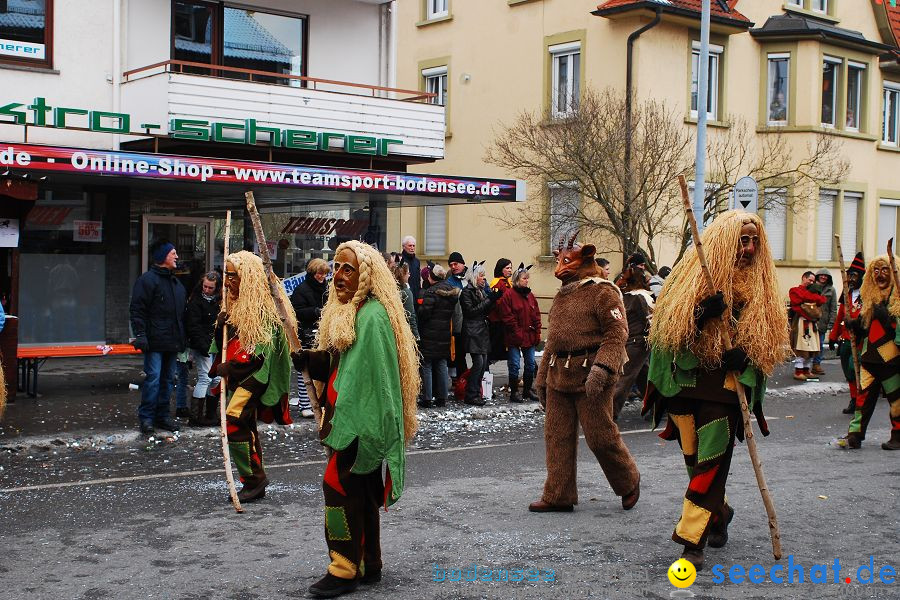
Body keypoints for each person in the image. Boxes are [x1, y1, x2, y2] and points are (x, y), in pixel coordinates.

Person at [644, 211, 789, 570]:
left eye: (755, 241)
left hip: (725, 392)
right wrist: (699, 315)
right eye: (743, 240)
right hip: (684, 387)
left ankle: (691, 542)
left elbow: (765, 349)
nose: (750, 248)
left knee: (709, 466)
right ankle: (719, 512)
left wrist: (745, 359)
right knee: (696, 465)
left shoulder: (763, 291)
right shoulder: (687, 281)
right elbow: (665, 335)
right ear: (724, 241)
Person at [292, 240, 419, 598]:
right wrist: (309, 360)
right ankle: (368, 562)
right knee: (361, 494)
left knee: (338, 487)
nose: (338, 276)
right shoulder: (350, 312)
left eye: (348, 268)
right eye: (336, 268)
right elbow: (340, 364)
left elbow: (375, 383)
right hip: (347, 422)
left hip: (359, 426)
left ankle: (344, 567)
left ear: (366, 273)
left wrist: (355, 425)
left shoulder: (373, 316)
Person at [530, 234, 641, 514]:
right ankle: (558, 494)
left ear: (585, 260)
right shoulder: (561, 295)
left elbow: (617, 333)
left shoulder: (604, 291)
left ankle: (628, 480)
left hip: (590, 375)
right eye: (558, 260)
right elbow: (553, 340)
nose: (559, 267)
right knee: (556, 437)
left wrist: (603, 368)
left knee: (600, 436)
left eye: (566, 262)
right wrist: (542, 377)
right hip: (559, 375)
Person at [211, 251, 294, 503]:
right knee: (242, 424)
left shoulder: (264, 309)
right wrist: (221, 327)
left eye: (232, 276)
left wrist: (231, 367)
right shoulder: (233, 304)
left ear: (247, 277)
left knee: (234, 420)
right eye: (225, 275)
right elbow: (224, 344)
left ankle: (254, 480)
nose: (226, 282)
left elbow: (258, 354)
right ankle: (254, 478)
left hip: (255, 376)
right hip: (240, 375)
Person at [839, 254, 900, 450]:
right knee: (862, 400)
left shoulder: (896, 299)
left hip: (891, 360)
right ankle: (855, 435)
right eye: (876, 270)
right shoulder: (870, 298)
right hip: (869, 358)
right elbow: (866, 329)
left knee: (896, 401)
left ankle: (898, 436)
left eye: (884, 270)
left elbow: (893, 327)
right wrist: (854, 325)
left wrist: (884, 313)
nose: (880, 275)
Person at [130, 242, 187, 435]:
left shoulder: (175, 283)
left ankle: (162, 416)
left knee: (168, 379)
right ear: (163, 257)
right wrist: (140, 335)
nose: (177, 256)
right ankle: (147, 417)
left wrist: (182, 340)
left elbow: (180, 315)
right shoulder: (147, 281)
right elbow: (138, 310)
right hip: (155, 340)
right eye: (173, 253)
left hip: (171, 340)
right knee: (154, 378)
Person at [612, 266, 654, 420]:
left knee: (625, 376)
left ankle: (610, 412)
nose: (621, 281)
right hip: (635, 341)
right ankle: (655, 406)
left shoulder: (636, 297)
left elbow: (650, 319)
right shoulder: (633, 296)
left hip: (637, 342)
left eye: (623, 278)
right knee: (642, 375)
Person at [290, 258, 330, 419]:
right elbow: (296, 312)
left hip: (321, 332)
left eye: (324, 274)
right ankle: (305, 403)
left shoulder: (326, 288)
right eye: (320, 274)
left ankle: (316, 401)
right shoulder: (301, 290)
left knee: (319, 367)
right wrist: (315, 311)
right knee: (303, 369)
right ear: (312, 272)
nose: (322, 277)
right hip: (305, 333)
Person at [417, 265, 462, 408]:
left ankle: (427, 398)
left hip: (429, 334)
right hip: (444, 334)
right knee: (442, 364)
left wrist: (420, 305)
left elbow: (424, 314)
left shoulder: (430, 293)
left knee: (427, 365)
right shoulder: (451, 293)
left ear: (433, 277)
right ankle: (442, 397)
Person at [497, 264, 541, 403]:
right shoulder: (509, 295)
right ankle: (514, 392)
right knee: (514, 365)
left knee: (530, 365)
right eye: (524, 278)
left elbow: (536, 315)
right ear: (517, 280)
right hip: (514, 336)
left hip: (529, 335)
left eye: (527, 278)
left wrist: (537, 331)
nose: (527, 280)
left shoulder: (530, 295)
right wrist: (517, 332)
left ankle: (527, 390)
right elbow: (507, 317)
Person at [828, 253, 866, 415]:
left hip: (859, 341)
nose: (851, 279)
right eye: (849, 275)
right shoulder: (846, 295)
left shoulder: (866, 297)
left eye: (854, 275)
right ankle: (853, 399)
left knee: (855, 370)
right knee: (849, 373)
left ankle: (861, 400)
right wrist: (832, 336)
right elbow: (839, 318)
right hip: (845, 340)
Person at [184, 272, 222, 426]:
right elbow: (193, 327)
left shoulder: (219, 301)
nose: (206, 290)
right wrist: (202, 345)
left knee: (216, 379)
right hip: (202, 344)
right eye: (205, 286)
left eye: (210, 288)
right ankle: (196, 416)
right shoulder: (196, 302)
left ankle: (209, 414)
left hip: (214, 344)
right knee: (206, 377)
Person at [460, 263, 500, 406]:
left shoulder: (480, 291)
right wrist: (490, 300)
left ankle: (476, 393)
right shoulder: (466, 292)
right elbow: (471, 312)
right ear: (474, 276)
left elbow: (485, 311)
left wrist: (494, 300)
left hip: (481, 330)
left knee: (483, 364)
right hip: (472, 331)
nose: (484, 278)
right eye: (481, 275)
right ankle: (471, 394)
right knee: (478, 363)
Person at [789, 271, 827, 380]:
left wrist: (806, 301)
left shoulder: (813, 292)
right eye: (810, 280)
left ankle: (806, 370)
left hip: (812, 324)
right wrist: (811, 300)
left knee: (811, 347)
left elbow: (822, 300)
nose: (811, 282)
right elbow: (796, 302)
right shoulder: (794, 290)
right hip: (801, 323)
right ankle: (798, 371)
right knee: (801, 347)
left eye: (813, 281)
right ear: (803, 278)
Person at [446, 251, 469, 381]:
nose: (453, 267)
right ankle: (461, 383)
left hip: (472, 323)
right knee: (460, 356)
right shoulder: (449, 282)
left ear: (462, 264)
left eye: (456, 264)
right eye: (451, 265)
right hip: (458, 325)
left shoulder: (470, 277)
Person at [812, 268, 838, 375]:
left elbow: (833, 308)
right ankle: (803, 366)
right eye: (821, 275)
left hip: (823, 322)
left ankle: (816, 364)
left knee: (820, 344)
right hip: (811, 320)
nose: (823, 277)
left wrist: (831, 322)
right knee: (808, 344)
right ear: (817, 276)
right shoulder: (812, 288)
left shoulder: (831, 290)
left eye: (825, 276)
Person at [487, 258, 513, 362]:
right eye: (507, 268)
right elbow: (497, 303)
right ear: (501, 269)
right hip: (498, 322)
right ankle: (485, 372)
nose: (510, 270)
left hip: (506, 321)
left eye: (511, 268)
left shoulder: (509, 282)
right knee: (494, 351)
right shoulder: (496, 283)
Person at [391, 261, 420, 341]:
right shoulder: (406, 292)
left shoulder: (390, 290)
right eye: (408, 272)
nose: (409, 274)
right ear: (402, 275)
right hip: (403, 333)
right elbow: (410, 315)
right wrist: (416, 335)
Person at [399, 235, 421, 303]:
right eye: (410, 246)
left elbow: (418, 279)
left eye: (413, 246)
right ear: (403, 246)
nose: (412, 248)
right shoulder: (400, 260)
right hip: (405, 295)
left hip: (416, 296)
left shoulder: (417, 261)